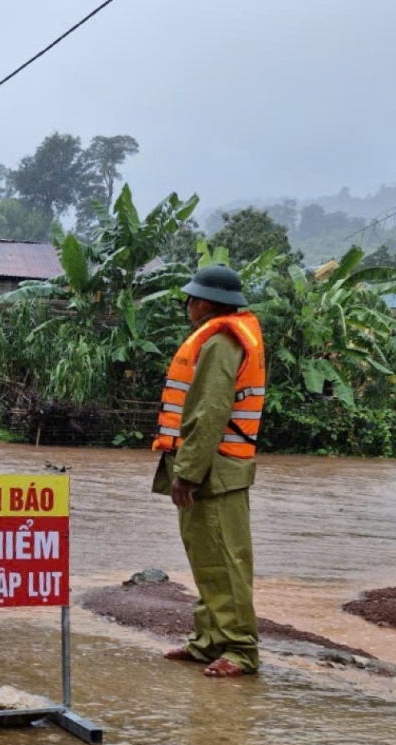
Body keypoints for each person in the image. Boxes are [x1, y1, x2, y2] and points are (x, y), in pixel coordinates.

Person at [152, 264, 266, 677]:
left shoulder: (221, 342)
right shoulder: (221, 337)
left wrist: (188, 473)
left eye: (191, 297)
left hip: (216, 472)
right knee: (206, 558)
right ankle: (207, 642)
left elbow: (209, 411)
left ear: (206, 302)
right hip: (211, 469)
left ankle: (239, 650)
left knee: (225, 560)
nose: (187, 304)